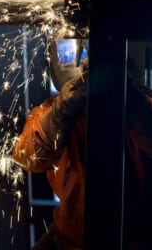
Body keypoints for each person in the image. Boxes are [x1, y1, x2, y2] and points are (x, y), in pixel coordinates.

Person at [11, 59, 152, 249]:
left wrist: (132, 107)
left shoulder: (142, 104)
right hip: (70, 238)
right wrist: (60, 115)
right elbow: (26, 158)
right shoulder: (50, 111)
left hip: (135, 240)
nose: (86, 65)